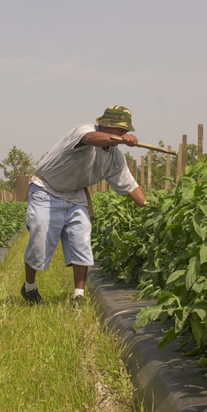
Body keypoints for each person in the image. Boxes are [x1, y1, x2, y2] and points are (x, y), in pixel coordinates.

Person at [21, 105, 147, 304]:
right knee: (40, 236)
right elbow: (90, 139)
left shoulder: (115, 158)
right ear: (105, 125)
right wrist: (122, 140)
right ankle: (29, 287)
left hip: (76, 195)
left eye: (126, 131)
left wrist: (154, 207)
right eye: (121, 129)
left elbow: (131, 187)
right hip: (46, 189)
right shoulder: (84, 131)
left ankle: (78, 295)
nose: (124, 134)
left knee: (81, 240)